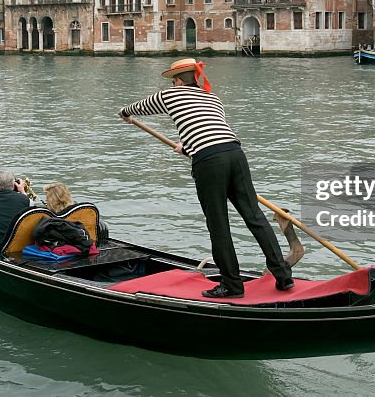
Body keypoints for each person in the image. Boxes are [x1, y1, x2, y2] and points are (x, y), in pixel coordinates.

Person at [119, 58, 293, 299]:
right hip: (234, 153)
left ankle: (232, 285)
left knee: (218, 224)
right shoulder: (213, 98)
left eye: (173, 80)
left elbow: (139, 107)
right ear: (195, 79)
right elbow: (209, 127)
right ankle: (283, 276)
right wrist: (188, 147)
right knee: (254, 216)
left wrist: (124, 113)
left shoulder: (170, 95)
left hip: (209, 162)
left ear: (178, 80)